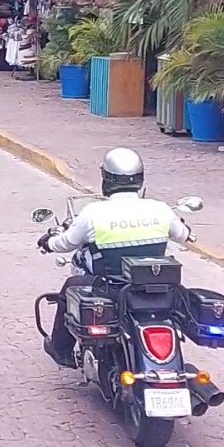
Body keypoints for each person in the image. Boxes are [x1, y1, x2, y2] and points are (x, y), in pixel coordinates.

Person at [36, 148, 194, 368]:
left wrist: (47, 242)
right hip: (157, 290)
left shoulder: (92, 213)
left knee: (71, 286)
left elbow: (65, 243)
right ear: (140, 179)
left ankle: (61, 350)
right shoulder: (160, 209)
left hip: (110, 289)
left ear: (107, 180)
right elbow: (185, 235)